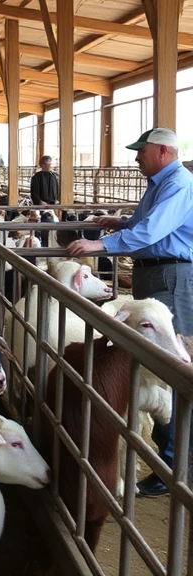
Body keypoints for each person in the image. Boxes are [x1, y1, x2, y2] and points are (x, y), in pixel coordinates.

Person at [67, 127, 193, 497]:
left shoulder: (178, 184)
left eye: (142, 151)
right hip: (154, 272)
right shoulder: (160, 182)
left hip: (169, 275)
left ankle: (173, 465)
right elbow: (145, 225)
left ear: (164, 151)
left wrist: (100, 244)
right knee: (153, 359)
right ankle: (169, 457)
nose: (137, 158)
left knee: (171, 362)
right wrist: (121, 224)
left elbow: (154, 229)